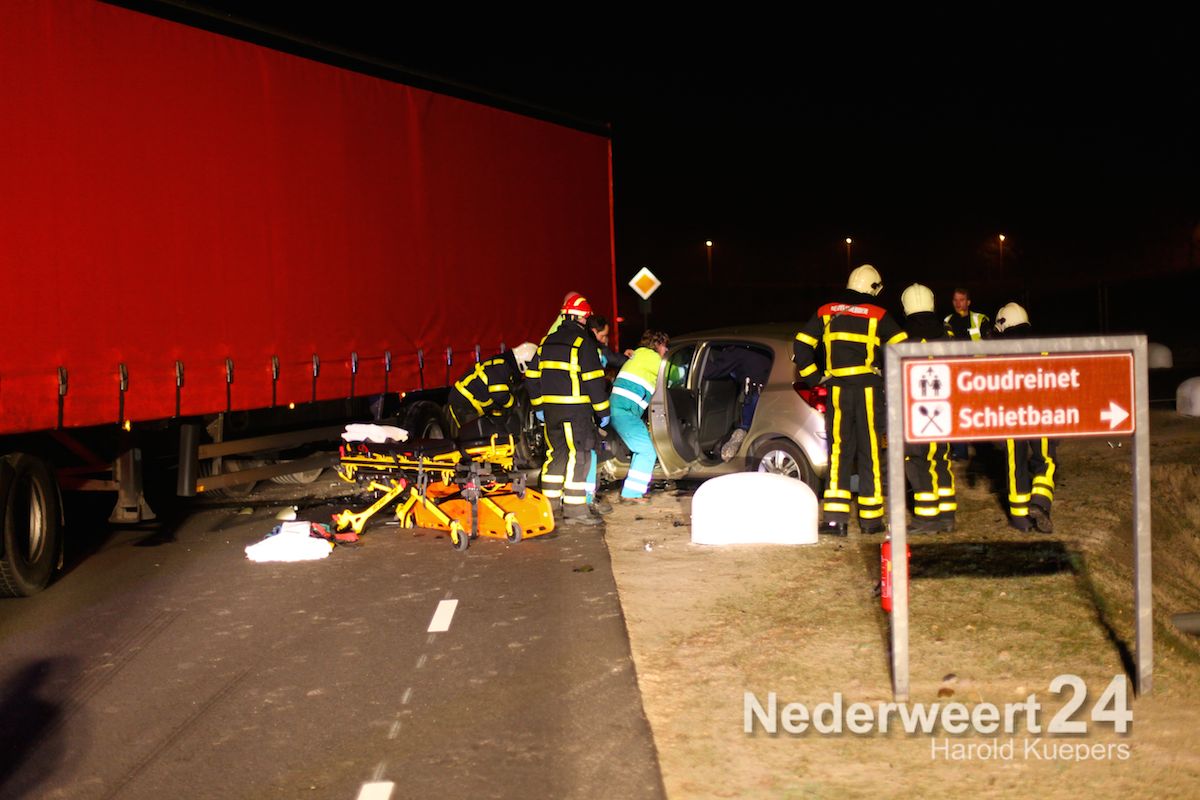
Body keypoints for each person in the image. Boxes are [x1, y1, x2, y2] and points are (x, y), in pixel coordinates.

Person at [793, 264, 908, 536]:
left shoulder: (826, 311)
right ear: (872, 287)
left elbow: (802, 344)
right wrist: (885, 372)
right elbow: (902, 346)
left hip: (837, 391)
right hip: (869, 391)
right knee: (870, 453)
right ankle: (871, 520)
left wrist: (814, 378)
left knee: (839, 453)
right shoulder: (879, 314)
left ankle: (836, 520)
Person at [525, 293, 610, 526]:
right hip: (576, 412)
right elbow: (594, 381)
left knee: (556, 455)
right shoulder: (583, 343)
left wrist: (539, 406)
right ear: (581, 318)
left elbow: (531, 377)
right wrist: (603, 412)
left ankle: (549, 507)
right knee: (579, 455)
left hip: (551, 412)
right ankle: (575, 511)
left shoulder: (546, 342)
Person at [992, 302, 1056, 533]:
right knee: (1045, 459)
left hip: (1012, 415)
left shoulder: (999, 353)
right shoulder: (1042, 348)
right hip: (1040, 412)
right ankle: (1040, 501)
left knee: (1015, 464)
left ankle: (1021, 519)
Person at [899, 284, 956, 534]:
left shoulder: (902, 338)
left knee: (917, 460)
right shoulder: (948, 334)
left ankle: (926, 518)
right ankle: (947, 515)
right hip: (944, 407)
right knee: (941, 458)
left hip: (915, 410)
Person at [609, 330, 670, 503]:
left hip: (621, 411)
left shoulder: (639, 354)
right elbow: (673, 374)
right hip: (624, 412)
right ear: (657, 344)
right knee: (647, 450)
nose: (666, 350)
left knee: (642, 449)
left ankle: (633, 491)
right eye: (665, 346)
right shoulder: (653, 358)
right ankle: (631, 493)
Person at [447, 342, 538, 440]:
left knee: (481, 434)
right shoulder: (501, 366)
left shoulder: (504, 365)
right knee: (472, 438)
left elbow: (497, 400)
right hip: (464, 402)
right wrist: (514, 404)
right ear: (524, 362)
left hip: (469, 401)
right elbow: (499, 394)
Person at [702, 345, 772, 461]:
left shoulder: (737, 350)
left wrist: (700, 360)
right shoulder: (761, 348)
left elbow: (711, 371)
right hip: (770, 395)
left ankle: (734, 460)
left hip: (754, 395)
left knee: (745, 431)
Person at [944, 287, 990, 462]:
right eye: (955, 300)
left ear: (968, 302)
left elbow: (991, 345)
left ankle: (983, 449)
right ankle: (960, 451)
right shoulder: (947, 321)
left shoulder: (980, 320)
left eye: (962, 300)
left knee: (980, 412)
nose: (958, 303)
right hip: (956, 372)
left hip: (978, 373)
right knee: (957, 411)